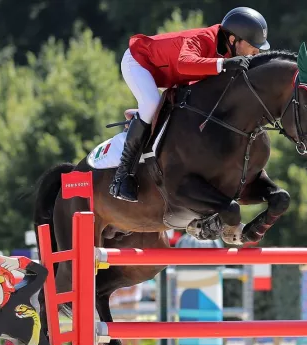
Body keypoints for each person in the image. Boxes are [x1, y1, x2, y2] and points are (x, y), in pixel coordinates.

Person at [110, 7, 271, 202]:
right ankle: (121, 177)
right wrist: (222, 65)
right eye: (253, 47)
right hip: (139, 63)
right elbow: (184, 64)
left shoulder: (230, 53)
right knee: (151, 102)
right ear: (232, 40)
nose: (256, 52)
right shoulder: (203, 39)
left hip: (171, 76)